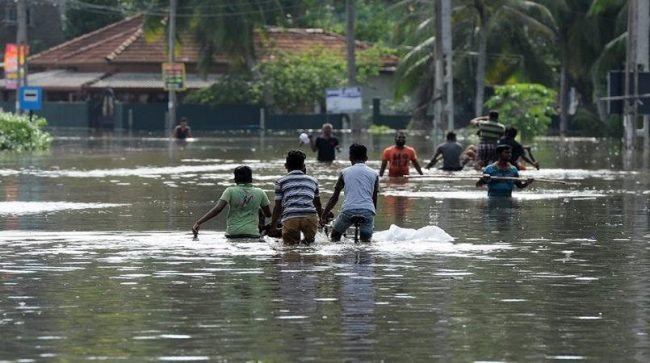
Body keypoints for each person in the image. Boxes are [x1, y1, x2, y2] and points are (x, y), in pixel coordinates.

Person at [192, 166, 271, 238]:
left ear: (235, 179)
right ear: (251, 178)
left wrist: (199, 222)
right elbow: (268, 214)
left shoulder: (230, 191)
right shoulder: (260, 192)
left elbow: (217, 209)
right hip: (252, 234)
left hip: (233, 233)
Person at [321, 144, 379, 242]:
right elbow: (374, 198)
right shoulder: (375, 174)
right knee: (366, 242)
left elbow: (334, 198)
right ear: (366, 158)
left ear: (350, 158)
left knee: (334, 236)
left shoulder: (344, 172)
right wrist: (372, 214)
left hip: (349, 210)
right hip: (368, 211)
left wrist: (323, 215)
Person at [270, 150, 323, 244]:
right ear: (303, 166)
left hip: (291, 217)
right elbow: (318, 204)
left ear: (286, 166)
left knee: (291, 249)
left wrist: (273, 225)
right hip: (310, 217)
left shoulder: (280, 181)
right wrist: (321, 218)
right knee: (309, 245)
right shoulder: (313, 180)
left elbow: (278, 207)